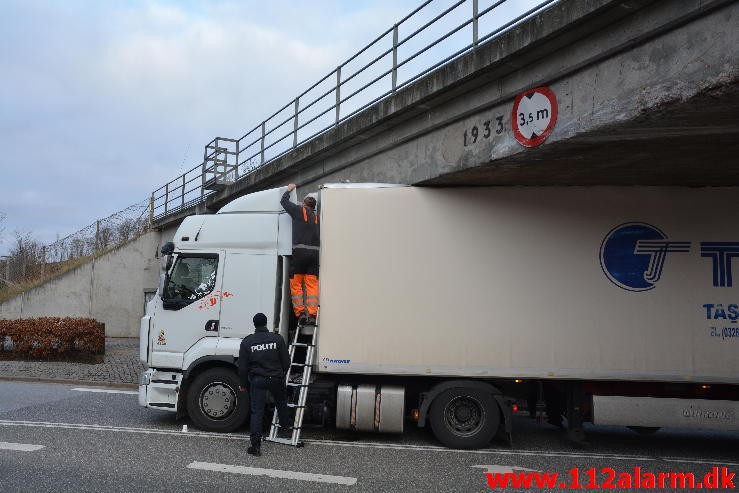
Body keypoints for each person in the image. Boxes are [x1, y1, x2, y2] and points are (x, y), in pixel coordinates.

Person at [238, 312, 291, 456]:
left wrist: (243, 383)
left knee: (257, 411)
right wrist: (281, 374)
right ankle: (285, 427)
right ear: (266, 323)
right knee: (281, 401)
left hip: (258, 380)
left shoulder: (248, 342)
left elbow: (242, 367)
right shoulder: (277, 339)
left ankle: (255, 446)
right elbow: (286, 362)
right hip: (276, 378)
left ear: (254, 324)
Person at [281, 183, 320, 325]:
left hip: (300, 253)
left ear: (304, 203)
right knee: (312, 284)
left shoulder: (299, 211)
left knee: (296, 283)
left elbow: (283, 202)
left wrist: (288, 189)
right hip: (315, 255)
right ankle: (312, 314)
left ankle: (300, 313)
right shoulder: (318, 217)